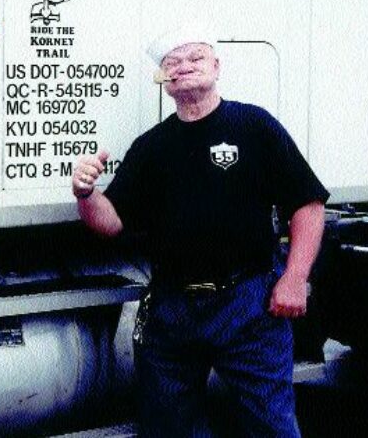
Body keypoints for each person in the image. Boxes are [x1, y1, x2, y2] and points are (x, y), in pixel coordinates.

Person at [72, 23, 329, 437]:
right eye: (173, 62)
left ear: (216, 66)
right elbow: (111, 222)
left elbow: (308, 204)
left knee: (270, 425)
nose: (185, 66)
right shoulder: (151, 147)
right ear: (164, 78)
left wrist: (295, 277)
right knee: (170, 428)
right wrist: (86, 194)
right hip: (173, 309)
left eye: (196, 57)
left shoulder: (254, 126)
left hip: (249, 303)